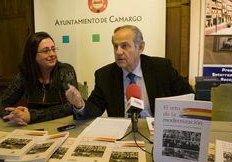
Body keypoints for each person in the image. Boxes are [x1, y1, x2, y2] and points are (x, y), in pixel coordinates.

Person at [65, 25, 193, 119]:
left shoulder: (162, 68)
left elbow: (188, 96)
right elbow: (95, 108)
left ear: (140, 47)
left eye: (124, 46)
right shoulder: (105, 75)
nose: (118, 52)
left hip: (156, 131)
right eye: (115, 46)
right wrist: (80, 104)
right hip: (122, 134)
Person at [0, 32, 78, 125]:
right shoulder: (25, 74)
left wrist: (32, 116)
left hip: (61, 124)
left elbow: (71, 105)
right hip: (32, 126)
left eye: (53, 49)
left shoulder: (65, 71)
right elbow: (1, 103)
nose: (52, 54)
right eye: (46, 51)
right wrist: (14, 115)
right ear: (32, 54)